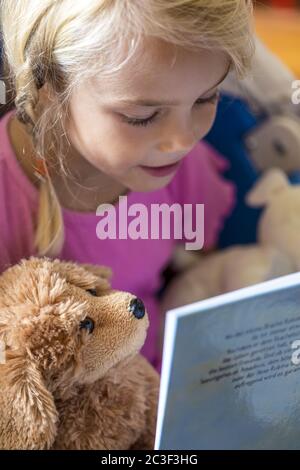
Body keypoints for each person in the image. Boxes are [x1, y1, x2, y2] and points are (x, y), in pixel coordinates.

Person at [0, 0, 254, 371]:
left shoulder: (183, 165)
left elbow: (205, 266)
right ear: (48, 84)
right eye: (142, 116)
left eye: (206, 98)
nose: (182, 140)